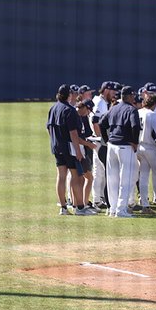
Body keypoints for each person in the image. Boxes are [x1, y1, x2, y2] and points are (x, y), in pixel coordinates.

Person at [46, 84, 95, 215]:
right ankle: (79, 208)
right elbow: (73, 133)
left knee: (61, 176)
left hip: (56, 147)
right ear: (69, 95)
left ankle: (63, 208)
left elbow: (49, 128)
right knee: (76, 176)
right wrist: (78, 151)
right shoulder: (70, 110)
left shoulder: (53, 108)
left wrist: (55, 142)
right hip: (69, 148)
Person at [103, 88, 142, 218]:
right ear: (129, 96)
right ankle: (121, 210)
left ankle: (113, 209)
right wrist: (134, 141)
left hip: (111, 146)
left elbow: (102, 123)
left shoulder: (114, 108)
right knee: (125, 179)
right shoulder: (131, 109)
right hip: (125, 147)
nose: (134, 97)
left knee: (112, 179)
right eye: (133, 95)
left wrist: (106, 139)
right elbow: (135, 126)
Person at [90, 82, 118, 209]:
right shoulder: (100, 102)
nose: (114, 93)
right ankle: (97, 199)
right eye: (112, 91)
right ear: (106, 90)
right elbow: (95, 121)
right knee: (99, 172)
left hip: (99, 140)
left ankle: (100, 197)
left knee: (101, 171)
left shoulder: (101, 101)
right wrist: (101, 138)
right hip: (99, 141)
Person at [137, 91, 156, 210]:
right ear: (154, 104)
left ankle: (144, 202)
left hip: (139, 146)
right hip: (151, 147)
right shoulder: (152, 114)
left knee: (143, 175)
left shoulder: (138, 112)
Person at [75, 100, 101, 209]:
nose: (89, 113)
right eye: (89, 110)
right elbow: (75, 137)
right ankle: (82, 204)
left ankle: (80, 203)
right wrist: (88, 144)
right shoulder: (76, 117)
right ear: (85, 107)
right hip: (79, 151)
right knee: (86, 178)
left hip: (80, 150)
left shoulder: (82, 117)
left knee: (81, 178)